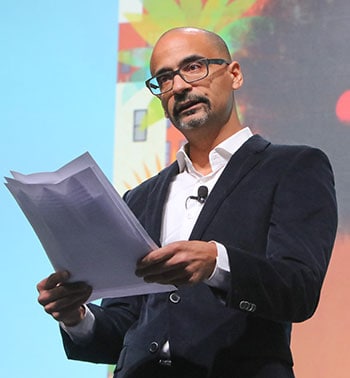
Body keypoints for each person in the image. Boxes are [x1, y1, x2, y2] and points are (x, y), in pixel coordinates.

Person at [37, 27, 337, 378]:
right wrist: (77, 317)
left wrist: (216, 263)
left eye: (193, 67)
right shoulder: (140, 197)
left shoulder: (293, 167)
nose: (179, 86)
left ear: (234, 74)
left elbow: (298, 288)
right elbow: (125, 326)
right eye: (164, 78)